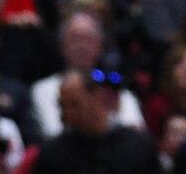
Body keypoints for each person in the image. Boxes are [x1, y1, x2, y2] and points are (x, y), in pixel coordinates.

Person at [30, 70, 158, 174]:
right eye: (62, 106)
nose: (66, 113)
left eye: (74, 105)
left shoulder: (137, 146)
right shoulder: (54, 152)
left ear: (98, 97)